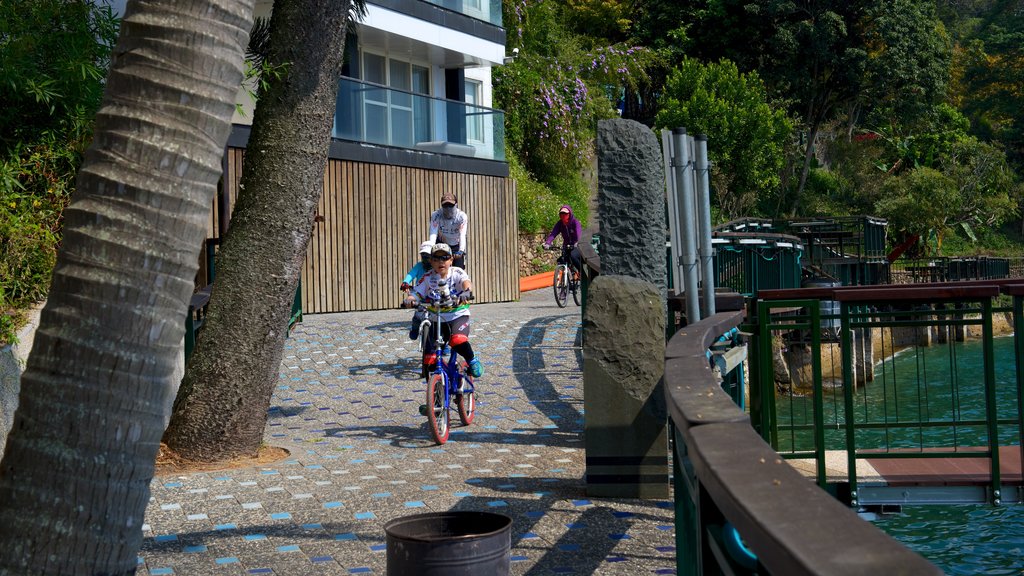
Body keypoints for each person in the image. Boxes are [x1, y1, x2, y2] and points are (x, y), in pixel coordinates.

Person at [403, 243, 483, 379]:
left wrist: (466, 292)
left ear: (451, 260)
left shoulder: (457, 272)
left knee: (457, 340)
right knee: (430, 360)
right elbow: (416, 293)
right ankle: (439, 386)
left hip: (457, 315)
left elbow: (466, 283)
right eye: (436, 258)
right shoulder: (427, 277)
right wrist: (410, 299)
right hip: (437, 318)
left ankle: (472, 360)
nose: (441, 262)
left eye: (445, 258)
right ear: (431, 261)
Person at [401, 240, 434, 340]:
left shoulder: (437, 267)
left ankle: (442, 342)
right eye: (423, 255)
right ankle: (415, 328)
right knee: (418, 314)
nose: (425, 258)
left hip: (434, 293)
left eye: (427, 255)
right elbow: (411, 274)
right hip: (420, 293)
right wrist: (406, 282)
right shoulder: (419, 266)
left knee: (440, 318)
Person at [428, 191, 468, 269]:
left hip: (456, 245)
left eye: (450, 205)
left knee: (459, 270)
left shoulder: (462, 216)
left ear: (456, 205)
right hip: (441, 243)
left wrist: (461, 250)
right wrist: (431, 248)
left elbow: (462, 234)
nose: (448, 208)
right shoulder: (436, 215)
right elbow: (433, 233)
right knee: (437, 268)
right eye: (445, 205)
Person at [542, 205, 583, 277]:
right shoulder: (560, 224)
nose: (563, 215)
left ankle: (581, 271)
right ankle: (567, 276)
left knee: (573, 256)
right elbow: (553, 233)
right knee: (561, 260)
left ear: (569, 214)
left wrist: (577, 241)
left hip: (576, 245)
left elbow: (578, 232)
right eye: (562, 214)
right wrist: (548, 243)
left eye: (565, 214)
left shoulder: (575, 222)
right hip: (566, 245)